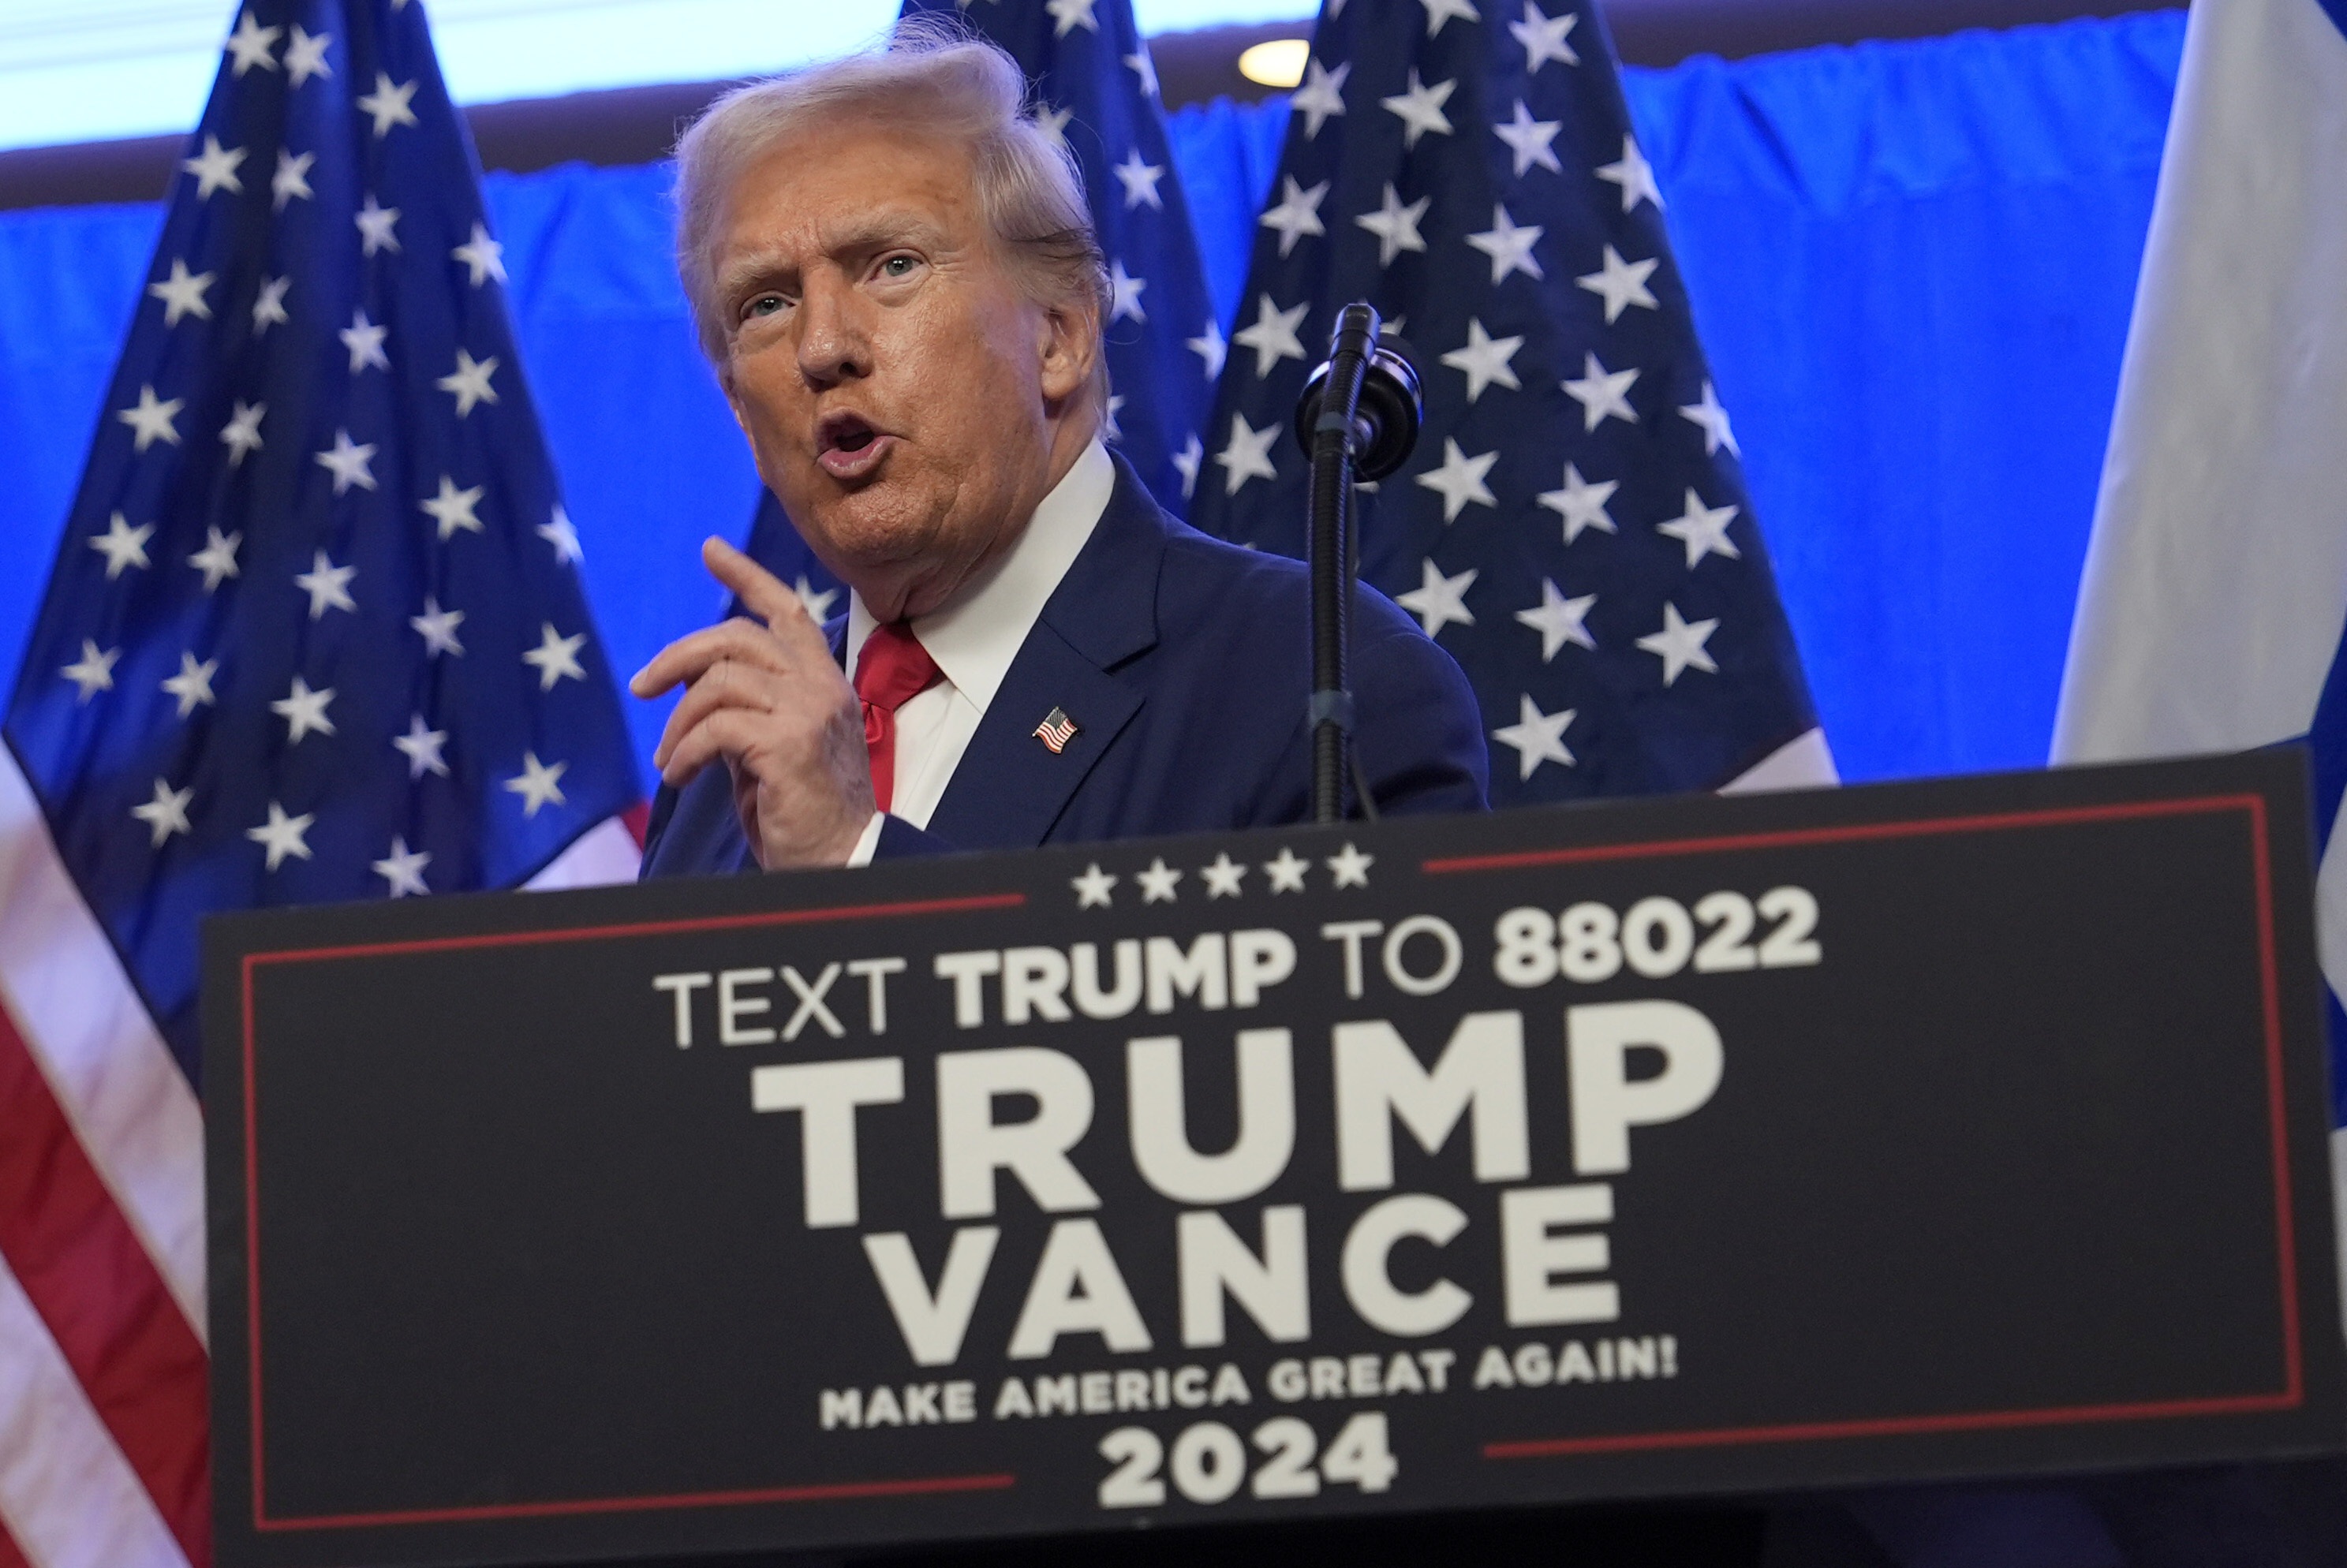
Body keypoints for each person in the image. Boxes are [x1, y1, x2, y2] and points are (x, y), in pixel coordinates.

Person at [630, 27, 1485, 879]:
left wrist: (849, 855)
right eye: (766, 304)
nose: (822, 346)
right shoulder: (716, 776)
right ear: (741, 410)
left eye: (892, 264)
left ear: (1060, 337)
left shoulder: (1316, 685)